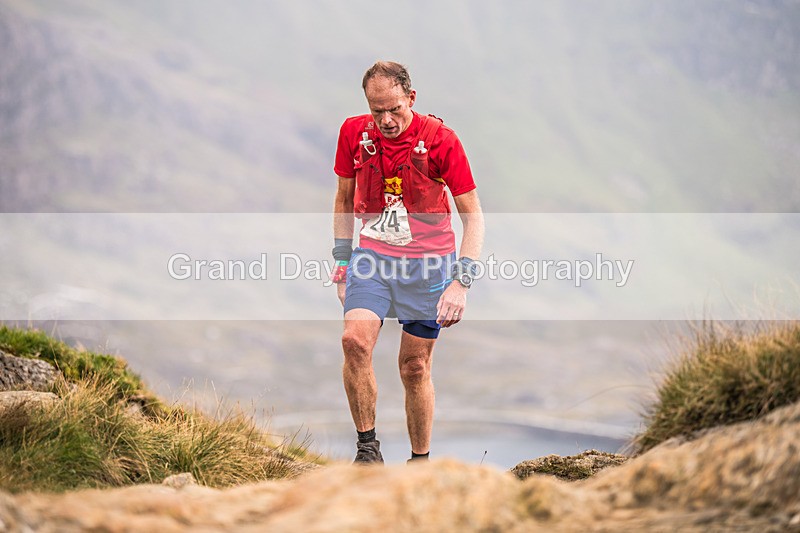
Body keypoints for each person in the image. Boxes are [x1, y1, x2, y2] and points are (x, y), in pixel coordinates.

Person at [331, 61, 484, 465]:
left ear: (411, 98)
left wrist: (461, 281)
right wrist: (342, 260)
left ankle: (420, 463)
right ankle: (368, 450)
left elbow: (473, 216)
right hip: (373, 257)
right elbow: (344, 200)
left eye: (394, 109)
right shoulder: (353, 133)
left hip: (429, 266)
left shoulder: (441, 140)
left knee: (414, 367)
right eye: (376, 109)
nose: (386, 120)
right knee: (354, 341)